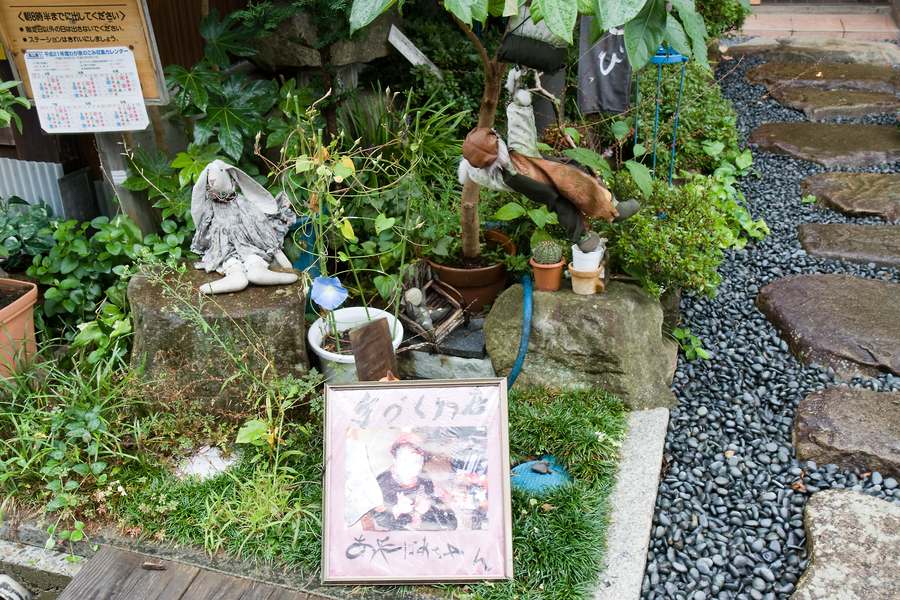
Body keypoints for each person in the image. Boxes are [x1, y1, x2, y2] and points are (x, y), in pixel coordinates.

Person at [365, 434, 458, 531]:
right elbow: (377, 519)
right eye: (405, 460)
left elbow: (451, 522)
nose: (413, 466)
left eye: (418, 461)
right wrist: (397, 509)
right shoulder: (382, 484)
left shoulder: (424, 478)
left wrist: (428, 505)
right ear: (395, 460)